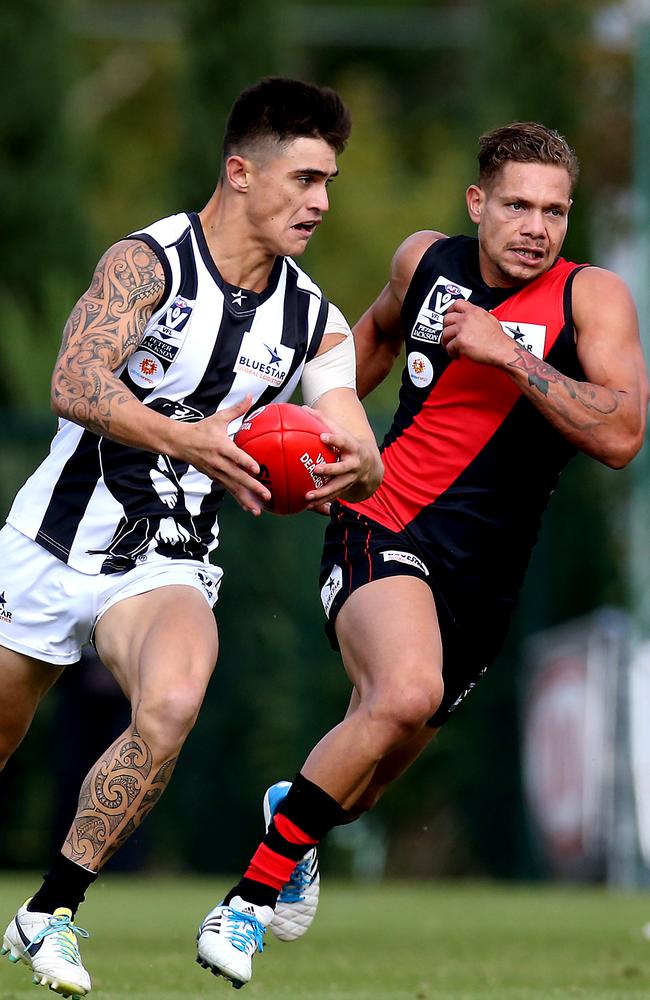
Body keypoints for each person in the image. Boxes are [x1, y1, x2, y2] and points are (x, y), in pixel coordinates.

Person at [197, 120, 649, 987]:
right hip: (384, 518)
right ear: (477, 203)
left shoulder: (591, 299)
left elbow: (624, 432)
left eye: (553, 211)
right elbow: (360, 345)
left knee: (362, 786)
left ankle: (289, 816)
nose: (534, 227)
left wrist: (508, 355)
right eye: (516, 204)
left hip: (486, 585)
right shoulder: (424, 262)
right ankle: (244, 906)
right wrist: (305, 448)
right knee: (405, 692)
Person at [0, 76, 383, 999]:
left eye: (329, 182)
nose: (321, 202)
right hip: (50, 544)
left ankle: (48, 913)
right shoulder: (150, 263)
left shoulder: (311, 320)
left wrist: (356, 462)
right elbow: (74, 381)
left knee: (170, 705)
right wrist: (191, 437)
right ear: (241, 172)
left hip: (168, 560)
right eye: (304, 179)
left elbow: (347, 421)